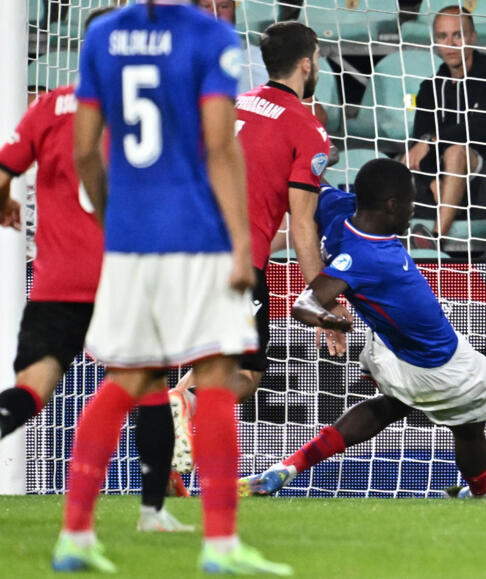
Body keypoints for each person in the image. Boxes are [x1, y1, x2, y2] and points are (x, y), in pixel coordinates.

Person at [52, 1, 290, 574]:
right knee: (214, 375)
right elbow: (218, 145)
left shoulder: (103, 33)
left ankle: (75, 536)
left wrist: (115, 220)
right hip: (196, 233)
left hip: (132, 236)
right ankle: (221, 545)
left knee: (125, 378)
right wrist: (239, 242)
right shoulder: (208, 35)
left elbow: (85, 149)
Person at [0, 6, 192, 534]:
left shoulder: (48, 107)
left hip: (57, 283)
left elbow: (3, 169)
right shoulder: (148, 111)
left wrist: (6, 203)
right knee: (149, 387)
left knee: (33, 389)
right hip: (124, 278)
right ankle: (153, 513)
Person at [238, 158, 486, 500]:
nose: (413, 213)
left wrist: (312, 149)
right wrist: (330, 319)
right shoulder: (372, 256)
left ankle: (287, 468)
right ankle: (483, 489)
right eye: (411, 204)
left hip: (389, 345)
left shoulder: (337, 210)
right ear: (392, 206)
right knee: (468, 428)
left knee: (390, 405)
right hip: (439, 364)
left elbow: (309, 180)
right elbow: (304, 305)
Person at [170, 22, 340, 434]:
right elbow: (301, 224)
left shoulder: (234, 105)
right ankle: (179, 404)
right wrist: (324, 298)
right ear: (305, 64)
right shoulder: (307, 128)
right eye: (316, 58)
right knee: (246, 374)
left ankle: (170, 458)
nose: (315, 65)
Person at [405, 6, 486, 245]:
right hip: (440, 188)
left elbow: (479, 129)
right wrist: (435, 182)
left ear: (473, 37)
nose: (451, 44)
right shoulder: (430, 88)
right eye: (443, 36)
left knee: (457, 152)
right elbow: (417, 145)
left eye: (458, 35)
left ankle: (437, 238)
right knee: (398, 164)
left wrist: (432, 141)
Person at [195, 0, 268, 95]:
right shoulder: (180, 53)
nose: (215, 13)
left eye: (224, 6)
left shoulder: (256, 59)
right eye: (206, 6)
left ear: (234, 12)